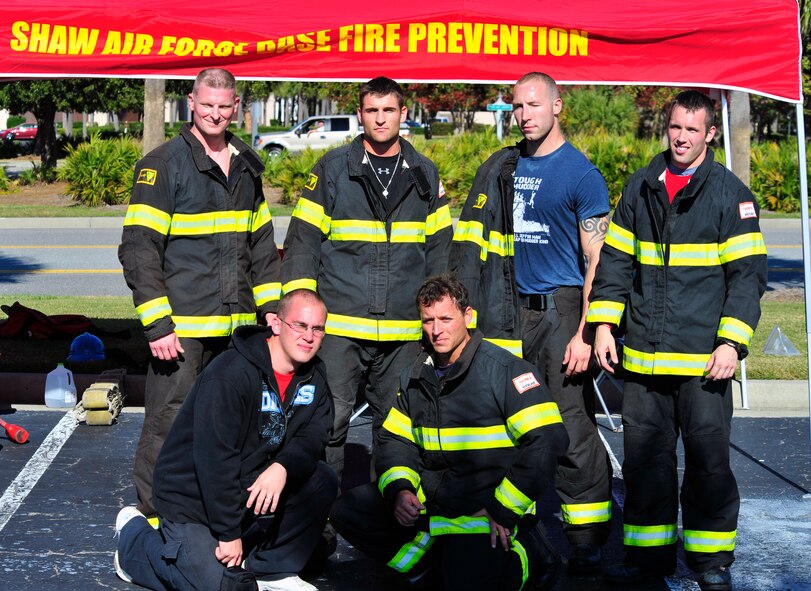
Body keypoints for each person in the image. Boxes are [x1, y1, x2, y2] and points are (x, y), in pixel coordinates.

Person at [588, 90, 767, 591]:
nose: (682, 138)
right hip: (643, 359)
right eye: (675, 128)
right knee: (646, 463)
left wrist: (731, 344)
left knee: (709, 465)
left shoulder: (732, 197)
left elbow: (747, 279)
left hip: (703, 363)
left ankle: (711, 563)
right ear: (665, 129)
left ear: (710, 133)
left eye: (692, 129)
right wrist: (604, 324)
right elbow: (616, 262)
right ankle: (649, 558)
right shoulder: (641, 187)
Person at [450, 71, 613, 574]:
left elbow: (596, 261)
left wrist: (586, 331)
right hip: (507, 312)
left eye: (534, 105)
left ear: (558, 106)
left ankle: (585, 538)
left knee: (569, 423)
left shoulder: (581, 175)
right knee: (507, 421)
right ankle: (509, 524)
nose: (524, 115)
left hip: (561, 314)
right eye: (517, 106)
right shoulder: (503, 167)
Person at [330, 275, 568, 590]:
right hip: (435, 510)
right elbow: (394, 440)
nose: (436, 329)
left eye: (445, 319)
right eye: (428, 320)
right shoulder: (415, 375)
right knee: (348, 509)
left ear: (468, 317)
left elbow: (548, 440)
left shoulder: (506, 371)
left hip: (487, 516)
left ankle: (531, 556)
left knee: (469, 576)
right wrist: (400, 490)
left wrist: (504, 510)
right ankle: (429, 567)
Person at [119, 68, 281, 519]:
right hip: (182, 332)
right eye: (206, 104)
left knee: (231, 426)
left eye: (223, 106)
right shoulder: (163, 165)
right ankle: (154, 518)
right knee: (168, 424)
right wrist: (157, 324)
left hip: (236, 331)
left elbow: (262, 246)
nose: (214, 113)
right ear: (191, 101)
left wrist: (270, 308)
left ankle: (212, 514)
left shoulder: (247, 166)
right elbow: (139, 250)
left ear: (235, 107)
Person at [282, 76, 453, 485]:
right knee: (328, 423)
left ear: (403, 114)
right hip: (340, 328)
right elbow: (303, 244)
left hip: (403, 333)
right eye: (372, 111)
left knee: (397, 430)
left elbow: (442, 258)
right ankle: (318, 521)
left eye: (388, 110)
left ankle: (391, 522)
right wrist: (294, 313)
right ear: (360, 115)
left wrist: (440, 322)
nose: (380, 119)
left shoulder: (425, 175)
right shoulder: (331, 170)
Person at [114, 289, 336, 591]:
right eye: (300, 325)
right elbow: (214, 460)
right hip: (193, 501)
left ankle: (274, 568)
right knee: (219, 586)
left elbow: (314, 436)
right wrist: (228, 532)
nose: (309, 336)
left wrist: (282, 467)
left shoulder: (315, 375)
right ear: (276, 323)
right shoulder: (231, 374)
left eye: (317, 328)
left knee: (322, 478)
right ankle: (134, 542)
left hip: (245, 491)